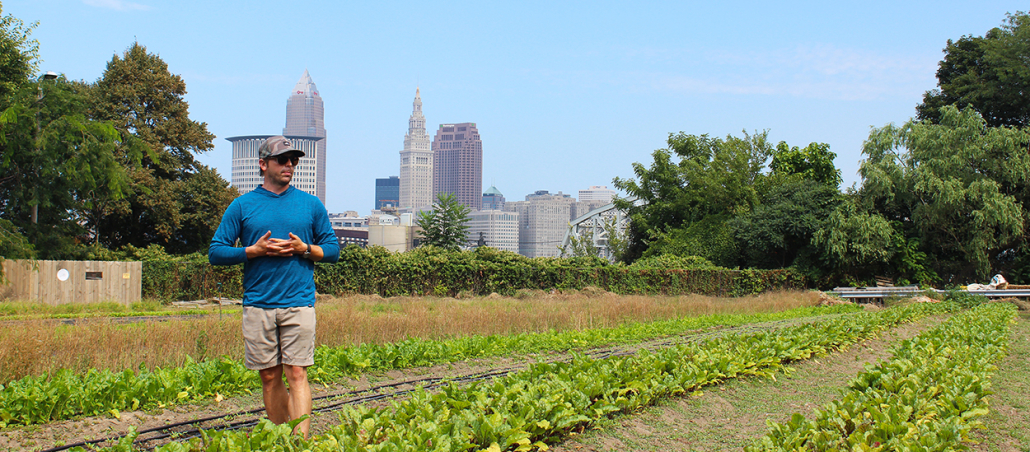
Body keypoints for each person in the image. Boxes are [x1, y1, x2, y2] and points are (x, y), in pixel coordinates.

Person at [209, 135, 340, 437]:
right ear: (263, 164)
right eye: (282, 160)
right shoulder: (242, 206)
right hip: (258, 304)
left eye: (293, 160)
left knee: (297, 372)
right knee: (269, 376)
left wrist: (304, 248)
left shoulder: (310, 205)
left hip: (299, 302)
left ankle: (301, 441)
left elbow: (332, 250)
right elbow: (216, 252)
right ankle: (283, 438)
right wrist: (251, 252)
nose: (289, 165)